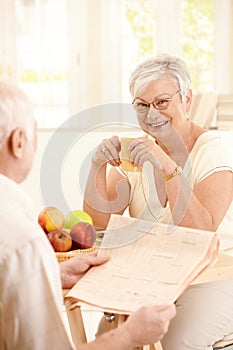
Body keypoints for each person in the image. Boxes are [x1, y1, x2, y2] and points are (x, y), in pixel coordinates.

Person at [0, 79, 176, 350]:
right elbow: (98, 220)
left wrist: (49, 275)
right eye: (141, 105)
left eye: (162, 102)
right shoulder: (22, 241)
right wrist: (131, 335)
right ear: (19, 142)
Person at [83, 54, 233, 350]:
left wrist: (166, 164)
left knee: (176, 342)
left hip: (216, 275)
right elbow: (98, 226)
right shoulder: (137, 154)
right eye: (142, 105)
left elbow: (201, 230)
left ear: (187, 99)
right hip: (159, 276)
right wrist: (97, 166)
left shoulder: (215, 151)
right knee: (109, 340)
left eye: (162, 102)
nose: (152, 114)